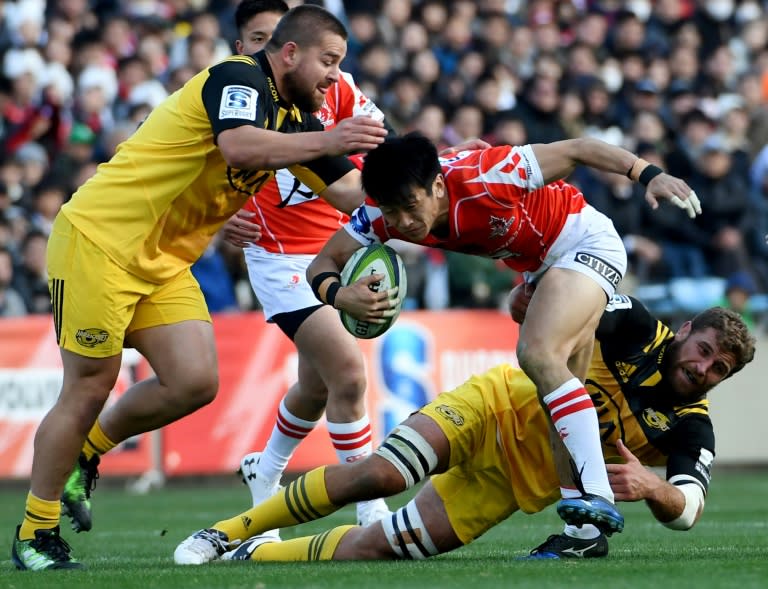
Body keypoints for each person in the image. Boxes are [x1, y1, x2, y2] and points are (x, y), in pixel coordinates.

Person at [11, 4, 389, 571]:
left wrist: (440, 190)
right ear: (289, 53)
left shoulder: (298, 118)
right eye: (328, 62)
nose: (335, 76)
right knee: (90, 384)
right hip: (99, 241)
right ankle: (34, 534)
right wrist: (328, 137)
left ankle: (86, 452)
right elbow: (238, 146)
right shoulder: (237, 78)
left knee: (194, 381)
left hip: (162, 259)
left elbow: (351, 192)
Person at [306, 132, 701, 534]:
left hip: (586, 242)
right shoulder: (379, 214)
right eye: (392, 213)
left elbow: (577, 149)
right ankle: (582, 531)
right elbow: (322, 262)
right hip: (542, 268)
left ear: (437, 186)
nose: (404, 223)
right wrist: (340, 296)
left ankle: (595, 495)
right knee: (557, 397)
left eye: (411, 206)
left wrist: (647, 173)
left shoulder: (490, 175)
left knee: (538, 353)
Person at [172, 295, 755, 563]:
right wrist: (528, 299)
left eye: (718, 369)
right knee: (379, 474)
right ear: (683, 331)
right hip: (493, 407)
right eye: (702, 350)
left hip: (510, 487)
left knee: (382, 547)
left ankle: (251, 557)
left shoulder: (690, 427)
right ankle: (223, 532)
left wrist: (655, 489)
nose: (703, 369)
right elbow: (565, 299)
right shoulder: (637, 329)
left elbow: (689, 510)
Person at [219, 0, 393, 533]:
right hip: (278, 258)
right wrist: (216, 221)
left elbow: (380, 150)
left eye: (278, 35)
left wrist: (440, 164)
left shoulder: (333, 86)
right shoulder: (230, 96)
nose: (269, 47)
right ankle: (370, 505)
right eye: (257, 37)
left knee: (317, 386)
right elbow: (178, 168)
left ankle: (264, 471)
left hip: (333, 250)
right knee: (347, 370)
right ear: (244, 47)